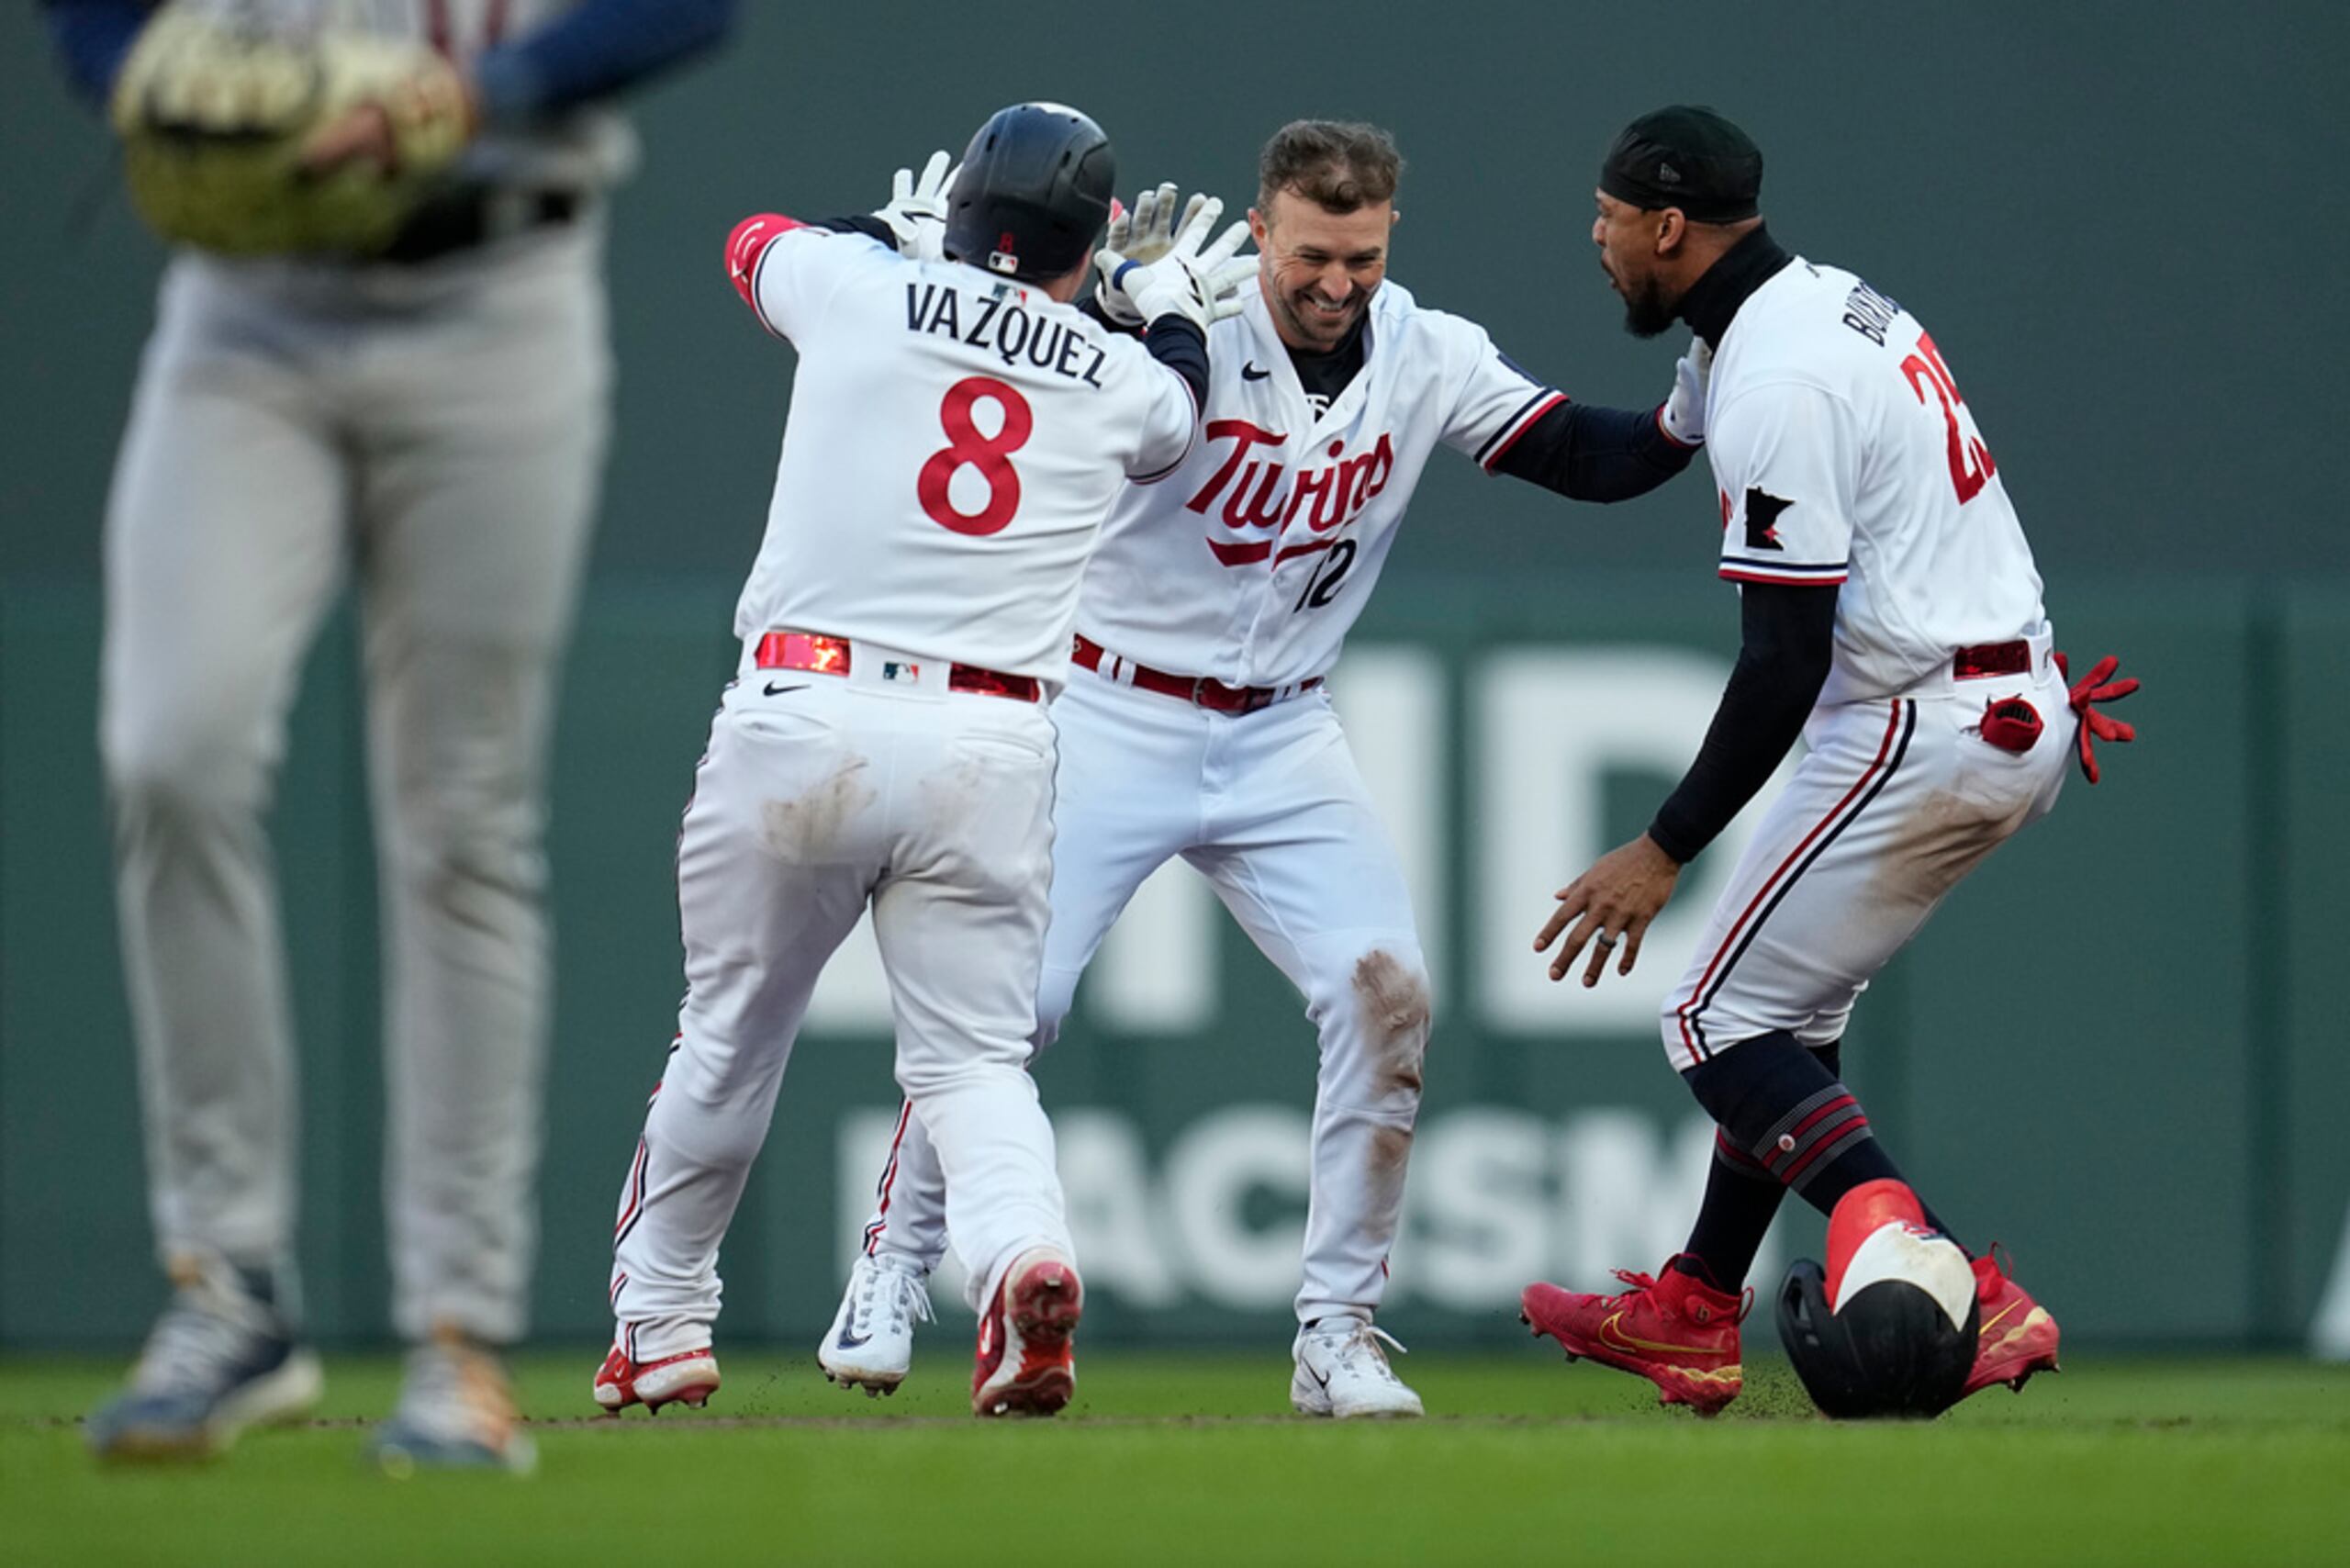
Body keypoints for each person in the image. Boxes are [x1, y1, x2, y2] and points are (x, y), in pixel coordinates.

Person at [817, 120, 1714, 1419]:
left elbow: (1586, 455)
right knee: (1010, 1009)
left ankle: (1335, 1332)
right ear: (1265, 226)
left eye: (1359, 255)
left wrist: (1694, 401)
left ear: (1389, 235)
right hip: (1108, 709)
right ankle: (895, 1267)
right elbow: (1004, 366)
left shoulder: (1425, 351)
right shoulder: (1181, 315)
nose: (1335, 283)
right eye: (1309, 254)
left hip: (1283, 730)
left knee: (1386, 997)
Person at [50, 0, 738, 1470]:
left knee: (464, 823)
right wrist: (137, 80)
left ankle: (456, 1338)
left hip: (497, 285)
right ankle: (227, 1281)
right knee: (169, 750)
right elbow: (93, 22)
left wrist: (483, 90)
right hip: (246, 302)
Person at [589, 102, 1253, 1421]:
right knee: (971, 1066)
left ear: (958, 211)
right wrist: (1164, 303)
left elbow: (749, 243)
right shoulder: (1113, 368)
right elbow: (1179, 414)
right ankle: (1023, 1258)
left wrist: (881, 234)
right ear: (1092, 241)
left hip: (807, 709)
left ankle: (663, 1322)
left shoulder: (859, 285)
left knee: (728, 1037)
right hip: (986, 741)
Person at [1519, 106, 2137, 1416]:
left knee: (1711, 1019)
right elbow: (1628, 455)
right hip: (1989, 695)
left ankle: (1960, 1281)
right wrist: (1448, 401)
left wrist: (1663, 847)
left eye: (1613, 212)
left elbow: (1783, 662)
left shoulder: (1781, 380)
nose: (1599, 233)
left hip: (1922, 715)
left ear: (1671, 225)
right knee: (1782, 1023)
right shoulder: (1797, 309)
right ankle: (1694, 1306)